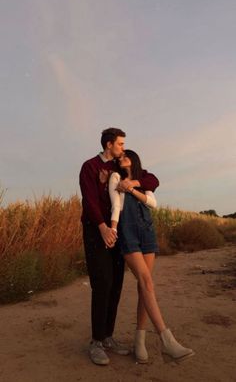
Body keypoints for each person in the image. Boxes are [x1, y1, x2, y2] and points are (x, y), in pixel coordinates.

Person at [79, 128, 159, 365]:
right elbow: (90, 200)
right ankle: (95, 342)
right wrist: (103, 227)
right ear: (109, 144)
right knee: (102, 283)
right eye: (121, 144)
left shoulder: (117, 166)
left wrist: (134, 181)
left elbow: (152, 179)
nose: (123, 148)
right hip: (97, 230)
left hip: (118, 232)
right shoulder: (90, 166)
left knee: (116, 284)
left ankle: (108, 337)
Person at [109, 150, 194, 363]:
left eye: (124, 156)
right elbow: (116, 205)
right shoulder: (115, 177)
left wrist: (132, 187)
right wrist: (112, 228)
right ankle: (166, 340)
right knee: (146, 281)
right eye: (118, 158)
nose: (120, 159)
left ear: (134, 159)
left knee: (143, 287)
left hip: (147, 231)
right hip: (128, 233)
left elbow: (152, 202)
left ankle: (139, 342)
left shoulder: (144, 179)